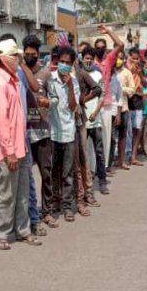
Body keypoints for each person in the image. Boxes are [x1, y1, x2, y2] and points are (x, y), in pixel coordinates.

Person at [0, 39, 42, 250]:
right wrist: (10, 152)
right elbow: (2, 122)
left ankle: (23, 229)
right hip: (7, 150)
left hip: (20, 146)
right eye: (16, 57)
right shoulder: (0, 84)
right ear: (5, 59)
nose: (19, 60)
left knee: (21, 192)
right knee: (6, 193)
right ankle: (0, 232)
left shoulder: (12, 81)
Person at [22, 35, 58, 229]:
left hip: (42, 130)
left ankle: (47, 211)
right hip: (24, 132)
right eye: (26, 54)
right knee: (26, 176)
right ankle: (28, 213)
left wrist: (48, 102)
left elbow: (55, 99)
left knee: (46, 173)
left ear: (38, 54)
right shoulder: (18, 72)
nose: (29, 57)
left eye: (33, 54)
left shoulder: (45, 74)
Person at [49, 47, 81, 222]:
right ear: (57, 61)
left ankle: (68, 206)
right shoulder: (50, 80)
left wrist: (69, 86)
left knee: (67, 172)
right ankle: (55, 202)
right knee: (54, 170)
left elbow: (73, 107)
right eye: (62, 62)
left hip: (68, 132)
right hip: (53, 132)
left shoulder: (74, 82)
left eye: (68, 63)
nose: (64, 65)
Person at [73, 50, 103, 213]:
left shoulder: (81, 74)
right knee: (69, 162)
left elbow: (97, 90)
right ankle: (72, 196)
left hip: (80, 120)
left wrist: (83, 100)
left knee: (83, 158)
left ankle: (88, 193)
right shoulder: (56, 76)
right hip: (63, 123)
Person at [93, 25, 125, 175]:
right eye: (98, 47)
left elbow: (120, 45)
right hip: (92, 104)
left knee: (106, 137)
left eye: (103, 47)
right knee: (91, 139)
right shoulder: (90, 62)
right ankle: (92, 168)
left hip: (106, 104)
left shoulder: (109, 59)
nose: (100, 49)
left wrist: (109, 32)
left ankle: (103, 167)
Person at [82, 47, 109, 195]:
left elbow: (102, 96)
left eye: (91, 58)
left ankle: (102, 182)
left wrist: (95, 112)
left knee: (99, 152)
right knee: (82, 154)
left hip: (95, 119)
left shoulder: (98, 74)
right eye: (86, 58)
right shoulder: (79, 74)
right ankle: (84, 185)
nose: (89, 60)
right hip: (82, 121)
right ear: (82, 58)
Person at [116, 50, 135, 170]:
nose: (118, 60)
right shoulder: (109, 71)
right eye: (116, 57)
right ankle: (110, 161)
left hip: (123, 107)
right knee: (112, 137)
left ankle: (121, 161)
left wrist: (121, 89)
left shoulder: (127, 72)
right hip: (111, 109)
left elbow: (132, 90)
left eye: (120, 58)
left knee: (123, 136)